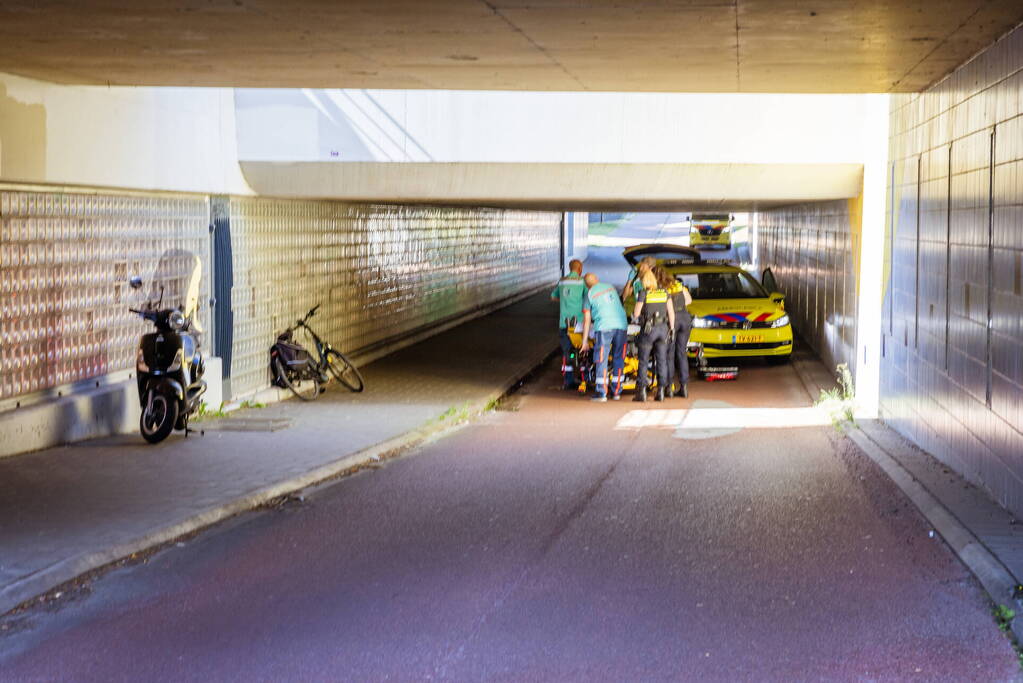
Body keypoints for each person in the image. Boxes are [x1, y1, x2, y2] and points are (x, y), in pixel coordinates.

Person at [579, 273, 628, 402]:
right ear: (597, 279)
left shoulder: (588, 294)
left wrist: (584, 342)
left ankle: (602, 393)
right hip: (621, 326)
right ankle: (617, 391)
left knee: (601, 359)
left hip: (604, 327)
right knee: (619, 358)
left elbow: (587, 319)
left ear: (586, 285)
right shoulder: (610, 287)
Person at [631, 270, 675, 402]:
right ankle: (660, 391)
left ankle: (642, 392)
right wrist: (671, 329)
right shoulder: (664, 293)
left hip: (648, 330)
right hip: (663, 329)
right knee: (662, 360)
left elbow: (636, 313)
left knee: (643, 361)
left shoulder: (643, 293)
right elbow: (671, 312)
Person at [656, 266, 693, 398]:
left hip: (672, 320)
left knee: (669, 355)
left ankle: (669, 388)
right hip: (685, 318)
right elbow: (689, 300)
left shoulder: (661, 289)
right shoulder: (679, 286)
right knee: (682, 353)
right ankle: (684, 387)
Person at [550, 259, 586, 389]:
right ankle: (584, 379)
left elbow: (553, 297)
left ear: (570, 268)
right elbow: (589, 299)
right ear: (580, 269)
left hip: (564, 323)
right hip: (578, 324)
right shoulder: (582, 282)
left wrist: (565, 299)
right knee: (582, 351)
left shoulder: (562, 281)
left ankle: (568, 380)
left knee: (568, 352)